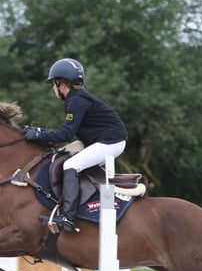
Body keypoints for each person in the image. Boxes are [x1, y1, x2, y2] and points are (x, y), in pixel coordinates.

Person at [24, 58, 128, 233]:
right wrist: (41, 131)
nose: (53, 89)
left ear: (62, 84)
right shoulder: (77, 98)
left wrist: (37, 134)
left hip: (111, 142)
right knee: (71, 159)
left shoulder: (76, 101)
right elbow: (65, 132)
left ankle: (68, 217)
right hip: (106, 141)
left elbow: (65, 134)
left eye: (54, 84)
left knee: (71, 165)